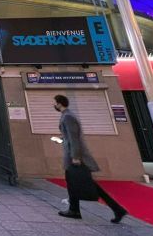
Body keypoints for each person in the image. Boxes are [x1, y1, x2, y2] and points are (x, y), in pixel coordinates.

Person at [54, 94, 128, 223]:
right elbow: (69, 137)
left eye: (55, 102)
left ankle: (75, 210)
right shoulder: (67, 116)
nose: (54, 105)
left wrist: (75, 157)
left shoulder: (68, 117)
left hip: (75, 157)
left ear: (60, 103)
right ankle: (115, 209)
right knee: (79, 183)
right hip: (73, 154)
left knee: (73, 182)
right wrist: (61, 139)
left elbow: (74, 138)